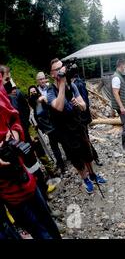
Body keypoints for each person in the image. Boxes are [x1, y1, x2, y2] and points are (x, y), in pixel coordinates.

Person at [0, 68, 61, 239]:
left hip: (24, 171)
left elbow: (17, 117)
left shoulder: (9, 95)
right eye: (6, 80)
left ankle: (46, 186)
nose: (9, 84)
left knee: (47, 222)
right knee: (38, 229)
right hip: (9, 190)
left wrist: (17, 133)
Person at [47, 59, 107, 194]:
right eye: (57, 69)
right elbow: (58, 106)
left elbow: (84, 105)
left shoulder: (72, 86)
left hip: (78, 126)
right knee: (75, 157)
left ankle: (92, 175)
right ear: (52, 74)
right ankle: (85, 179)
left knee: (87, 153)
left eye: (62, 67)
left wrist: (77, 104)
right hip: (64, 132)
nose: (61, 70)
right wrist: (61, 84)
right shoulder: (50, 91)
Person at [30, 75, 67, 173]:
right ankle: (61, 165)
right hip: (48, 130)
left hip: (54, 126)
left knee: (63, 142)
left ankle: (69, 158)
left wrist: (44, 100)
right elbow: (37, 118)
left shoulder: (43, 101)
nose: (33, 93)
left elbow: (50, 109)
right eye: (31, 92)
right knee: (55, 147)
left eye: (34, 92)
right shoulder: (33, 106)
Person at [72, 74, 103, 166]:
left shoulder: (77, 84)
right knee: (82, 140)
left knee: (85, 139)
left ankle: (94, 157)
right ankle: (88, 158)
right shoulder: (77, 83)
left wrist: (84, 119)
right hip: (77, 119)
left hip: (80, 118)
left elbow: (85, 102)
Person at [111, 58, 125, 157]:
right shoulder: (116, 77)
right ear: (121, 66)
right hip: (122, 106)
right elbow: (115, 93)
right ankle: (124, 148)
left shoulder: (121, 76)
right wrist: (121, 107)